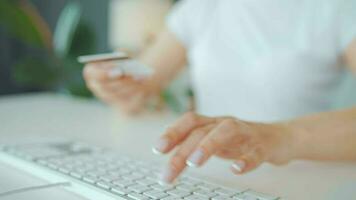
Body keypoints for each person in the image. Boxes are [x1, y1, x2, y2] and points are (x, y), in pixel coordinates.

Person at [83, 0, 356, 184]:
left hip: (302, 180)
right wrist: (112, 82)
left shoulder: (337, 8)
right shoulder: (201, 7)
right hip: (206, 175)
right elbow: (136, 93)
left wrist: (279, 137)